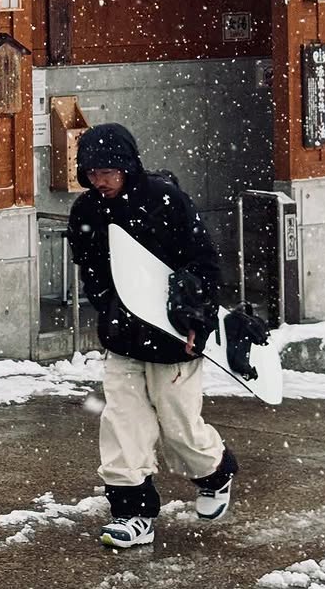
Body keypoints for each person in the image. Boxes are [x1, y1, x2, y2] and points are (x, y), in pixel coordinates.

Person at [67, 122, 238, 550]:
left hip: (173, 338)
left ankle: (216, 472)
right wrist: (110, 311)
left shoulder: (167, 200)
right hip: (122, 338)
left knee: (179, 427)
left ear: (127, 166)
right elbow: (92, 272)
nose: (99, 180)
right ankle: (132, 512)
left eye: (107, 170)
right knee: (123, 423)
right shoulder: (86, 211)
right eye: (91, 172)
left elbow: (205, 264)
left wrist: (196, 318)